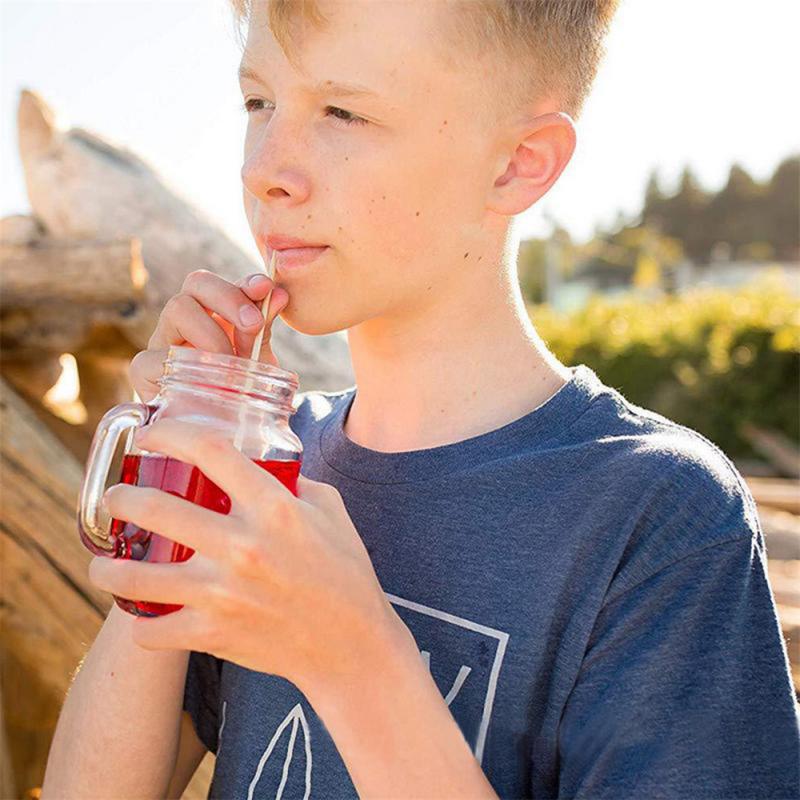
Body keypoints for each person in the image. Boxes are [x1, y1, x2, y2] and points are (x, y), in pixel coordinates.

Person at [42, 1, 800, 798]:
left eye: (344, 111)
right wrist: (185, 446)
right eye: (258, 102)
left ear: (517, 163)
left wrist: (355, 665)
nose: (264, 167)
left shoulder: (657, 516)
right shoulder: (265, 472)